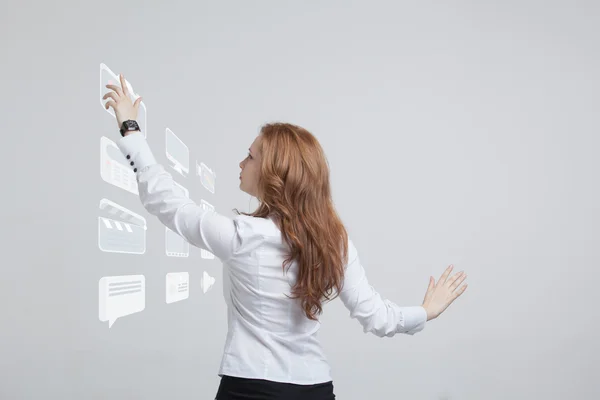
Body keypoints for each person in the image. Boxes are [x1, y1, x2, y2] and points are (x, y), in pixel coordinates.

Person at [103, 74, 468, 400]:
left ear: (274, 173)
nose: (241, 163)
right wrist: (426, 311)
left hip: (250, 387)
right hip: (315, 390)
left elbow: (166, 202)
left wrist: (130, 127)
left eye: (250, 156)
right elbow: (376, 316)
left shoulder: (242, 235)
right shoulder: (334, 243)